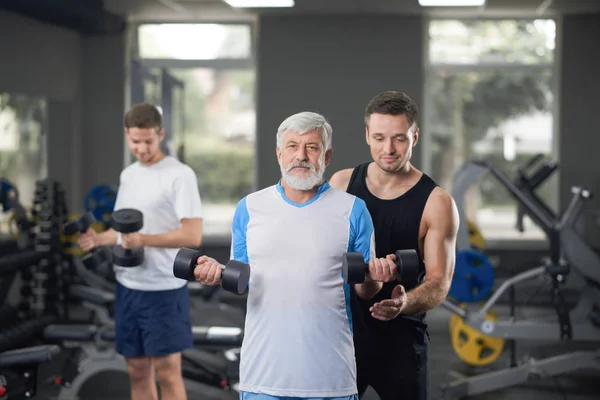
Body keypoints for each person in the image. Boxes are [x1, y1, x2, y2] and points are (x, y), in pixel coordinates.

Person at [193, 111, 398, 400]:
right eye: (292, 146)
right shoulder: (249, 208)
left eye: (311, 147)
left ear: (326, 157)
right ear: (279, 154)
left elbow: (365, 289)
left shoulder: (353, 210)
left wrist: (377, 276)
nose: (300, 156)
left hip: (330, 378)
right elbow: (242, 282)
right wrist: (214, 273)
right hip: (263, 377)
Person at [329, 91, 460, 400]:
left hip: (402, 341)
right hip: (343, 336)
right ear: (367, 135)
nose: (388, 149)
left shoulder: (437, 202)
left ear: (415, 135)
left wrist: (403, 303)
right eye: (379, 137)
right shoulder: (341, 185)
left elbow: (439, 283)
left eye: (399, 139)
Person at [78, 103, 204, 400]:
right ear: (127, 135)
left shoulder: (179, 175)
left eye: (148, 141)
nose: (142, 148)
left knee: (167, 370)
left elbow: (193, 234)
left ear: (160, 134)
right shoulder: (129, 175)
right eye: (135, 141)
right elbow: (124, 232)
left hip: (163, 288)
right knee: (135, 368)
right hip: (129, 287)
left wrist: (144, 240)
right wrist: (98, 240)